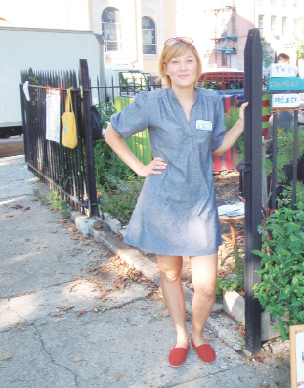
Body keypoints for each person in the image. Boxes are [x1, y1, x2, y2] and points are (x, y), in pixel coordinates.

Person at [104, 36, 248, 368]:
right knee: (170, 275)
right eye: (175, 62)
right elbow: (112, 133)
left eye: (189, 61)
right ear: (166, 68)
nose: (183, 68)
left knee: (206, 286)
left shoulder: (211, 101)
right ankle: (182, 337)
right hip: (163, 201)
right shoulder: (152, 102)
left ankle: (198, 333)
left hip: (199, 203)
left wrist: (239, 126)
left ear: (197, 65)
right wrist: (139, 167)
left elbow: (215, 147)